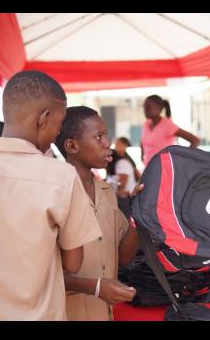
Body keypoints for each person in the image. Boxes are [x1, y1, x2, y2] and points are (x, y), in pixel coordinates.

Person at [0, 71, 102, 320]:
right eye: (59, 122)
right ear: (44, 118)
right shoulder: (61, 176)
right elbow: (73, 263)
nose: (57, 133)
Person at [55, 106, 140, 320]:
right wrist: (95, 287)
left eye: (106, 135)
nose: (107, 143)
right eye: (98, 137)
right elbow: (43, 274)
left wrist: (139, 212)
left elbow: (123, 256)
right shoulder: (55, 193)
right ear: (72, 145)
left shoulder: (106, 192)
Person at [140, 94, 200, 167]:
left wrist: (183, 159)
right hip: (148, 168)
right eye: (144, 107)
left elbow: (195, 140)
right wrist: (142, 157)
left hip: (164, 169)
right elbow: (142, 141)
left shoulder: (167, 125)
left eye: (148, 107)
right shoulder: (146, 124)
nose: (145, 110)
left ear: (158, 107)